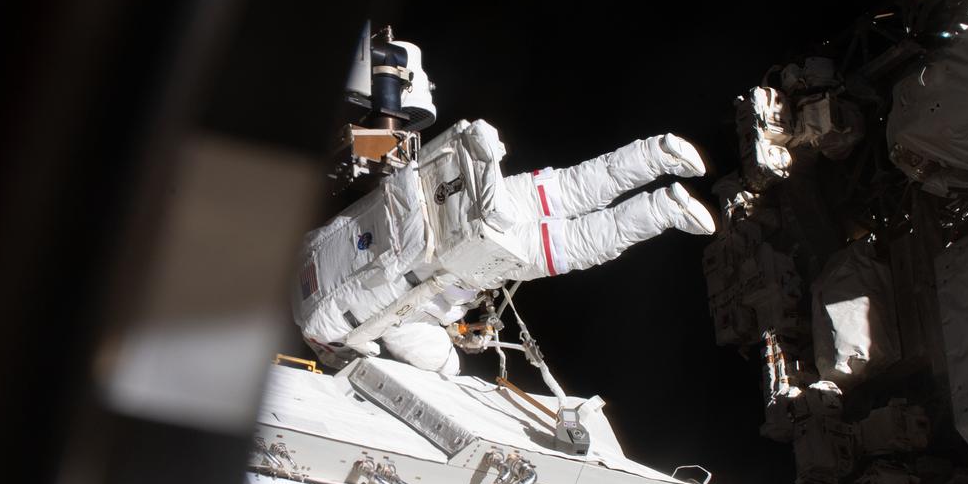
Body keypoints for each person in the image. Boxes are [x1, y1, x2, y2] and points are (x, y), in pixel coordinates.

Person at [294, 120, 714, 373]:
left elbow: (429, 352)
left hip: (474, 251)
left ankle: (665, 208)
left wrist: (449, 363)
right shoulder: (311, 251)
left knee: (583, 242)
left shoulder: (349, 326)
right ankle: (659, 152)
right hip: (464, 187)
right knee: (576, 185)